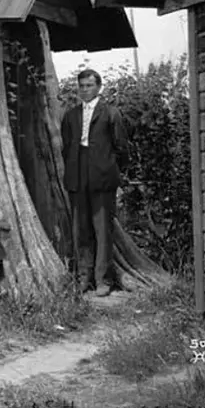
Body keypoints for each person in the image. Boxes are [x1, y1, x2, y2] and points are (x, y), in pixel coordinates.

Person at [60, 69, 129, 297]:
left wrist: (113, 173)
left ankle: (103, 280)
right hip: (78, 178)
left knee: (103, 231)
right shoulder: (70, 116)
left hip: (102, 179)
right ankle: (83, 278)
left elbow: (121, 148)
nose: (84, 90)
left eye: (89, 85)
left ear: (99, 87)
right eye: (81, 86)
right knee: (81, 231)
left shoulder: (111, 113)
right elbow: (66, 147)